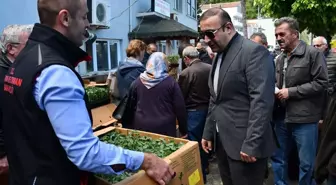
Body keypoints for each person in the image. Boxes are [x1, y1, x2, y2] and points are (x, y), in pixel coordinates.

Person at [1, 0, 175, 184]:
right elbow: (85, 153)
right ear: (65, 18)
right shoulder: (55, 72)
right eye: (84, 17)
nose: (88, 24)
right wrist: (147, 160)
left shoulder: (25, 57)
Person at [200, 7, 276, 185]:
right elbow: (215, 98)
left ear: (228, 27)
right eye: (202, 34)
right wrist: (208, 132)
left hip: (246, 147)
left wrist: (252, 144)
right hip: (223, 144)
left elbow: (262, 102)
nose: (206, 40)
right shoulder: (219, 55)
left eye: (210, 33)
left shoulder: (254, 52)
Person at [271, 17, 328, 185]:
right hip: (282, 117)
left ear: (295, 34)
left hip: (305, 119)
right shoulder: (280, 58)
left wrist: (292, 92)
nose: (278, 38)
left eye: (282, 34)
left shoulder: (313, 54)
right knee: (278, 159)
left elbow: (322, 83)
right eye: (276, 35)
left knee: (306, 164)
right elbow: (279, 82)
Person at [124, 52, 187, 138]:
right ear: (164, 64)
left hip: (141, 126)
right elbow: (180, 108)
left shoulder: (137, 82)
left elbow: (130, 106)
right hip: (165, 128)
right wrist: (183, 130)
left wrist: (127, 127)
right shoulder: (171, 82)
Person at [0, 24, 33, 184]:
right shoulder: (2, 75)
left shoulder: (14, 69)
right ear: (10, 48)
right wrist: (2, 154)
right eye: (28, 45)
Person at [178, 46, 211, 182]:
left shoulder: (186, 73)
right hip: (210, 110)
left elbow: (181, 95)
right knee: (207, 140)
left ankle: (200, 172)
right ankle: (206, 165)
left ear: (186, 58)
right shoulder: (210, 68)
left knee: (195, 144)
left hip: (194, 113)